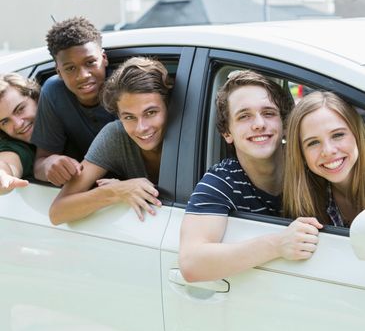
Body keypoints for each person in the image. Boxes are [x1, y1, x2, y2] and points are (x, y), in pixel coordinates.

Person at [179, 70, 323, 282]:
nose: (258, 124)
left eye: (268, 113)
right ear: (227, 133)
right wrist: (277, 244)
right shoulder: (222, 181)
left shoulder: (312, 165)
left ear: (284, 125)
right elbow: (191, 264)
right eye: (244, 116)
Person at [49, 57, 173, 225]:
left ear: (168, 105)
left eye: (150, 113)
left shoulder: (191, 132)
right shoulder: (116, 135)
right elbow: (58, 212)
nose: (141, 127)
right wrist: (117, 191)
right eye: (129, 117)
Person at [31, 16, 116, 186]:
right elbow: (40, 163)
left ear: (104, 58)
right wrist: (50, 164)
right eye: (70, 68)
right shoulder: (54, 92)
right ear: (58, 72)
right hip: (88, 192)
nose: (83, 75)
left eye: (91, 62)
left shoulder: (124, 86)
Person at [283, 91, 365, 227]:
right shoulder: (306, 201)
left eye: (338, 135)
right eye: (313, 143)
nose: (328, 151)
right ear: (301, 154)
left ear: (357, 134)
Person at [0, 73, 40, 194]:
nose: (18, 124)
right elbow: (6, 163)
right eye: (5, 121)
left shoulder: (67, 113)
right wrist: (3, 175)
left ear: (36, 98)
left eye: (20, 109)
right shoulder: (16, 146)